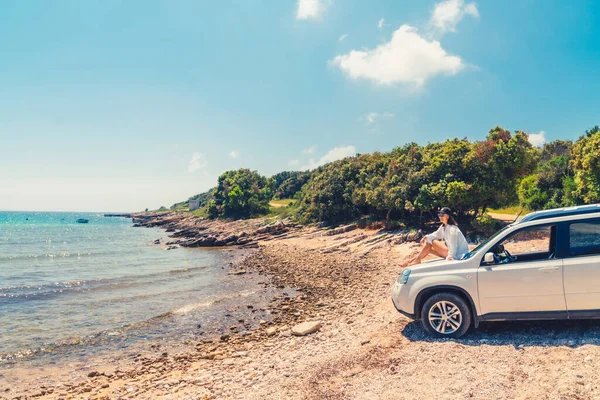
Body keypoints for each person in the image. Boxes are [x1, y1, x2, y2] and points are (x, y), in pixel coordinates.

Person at [401, 207, 469, 267]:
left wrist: (450, 257)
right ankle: (412, 260)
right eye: (439, 215)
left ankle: (416, 260)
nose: (440, 216)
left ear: (447, 216)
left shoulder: (452, 229)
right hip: (453, 252)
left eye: (442, 215)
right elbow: (436, 234)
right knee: (428, 248)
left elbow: (454, 246)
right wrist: (426, 237)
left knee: (432, 242)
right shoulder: (444, 227)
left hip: (459, 255)